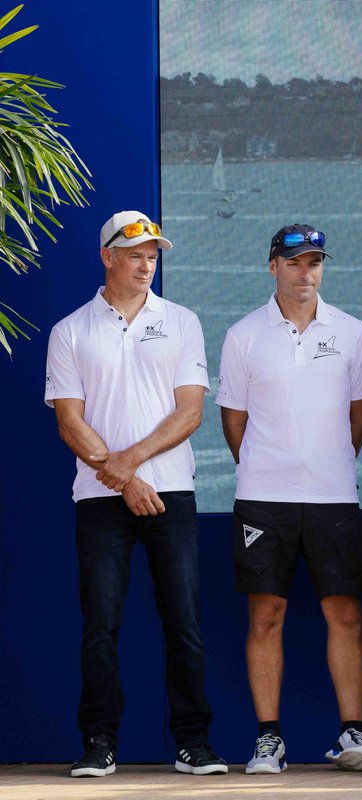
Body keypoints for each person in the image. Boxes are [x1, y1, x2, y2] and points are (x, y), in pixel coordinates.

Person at [45, 211, 227, 778]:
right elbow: (69, 423)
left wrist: (128, 462)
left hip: (169, 493)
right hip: (100, 498)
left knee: (185, 623)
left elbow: (190, 411)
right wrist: (124, 478)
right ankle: (99, 742)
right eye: (134, 254)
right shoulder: (70, 330)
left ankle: (194, 744)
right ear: (107, 257)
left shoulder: (182, 321)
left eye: (152, 255)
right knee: (100, 624)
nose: (146, 264)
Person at [215, 225, 362, 774]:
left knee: (346, 614)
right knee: (265, 615)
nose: (304, 272)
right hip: (263, 498)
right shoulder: (242, 336)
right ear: (272, 267)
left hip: (333, 497)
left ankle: (353, 731)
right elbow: (233, 423)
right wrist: (271, 467)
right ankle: (269, 740)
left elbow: (360, 420)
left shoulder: (354, 333)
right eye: (293, 262)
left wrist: (325, 462)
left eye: (313, 262)